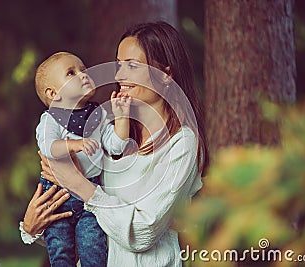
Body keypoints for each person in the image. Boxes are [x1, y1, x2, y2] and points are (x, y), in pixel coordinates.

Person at [21, 21, 209, 267]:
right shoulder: (113, 129)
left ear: (166, 75)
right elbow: (91, 222)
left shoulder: (182, 143)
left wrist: (76, 183)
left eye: (132, 66)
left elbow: (143, 233)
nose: (119, 75)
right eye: (119, 65)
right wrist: (32, 227)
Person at [29, 51, 131, 267]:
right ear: (54, 93)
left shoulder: (98, 115)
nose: (83, 75)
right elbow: (48, 146)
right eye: (71, 73)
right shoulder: (51, 120)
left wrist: (121, 119)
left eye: (84, 70)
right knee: (61, 251)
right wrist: (74, 145)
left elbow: (115, 145)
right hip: (58, 197)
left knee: (93, 248)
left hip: (90, 199)